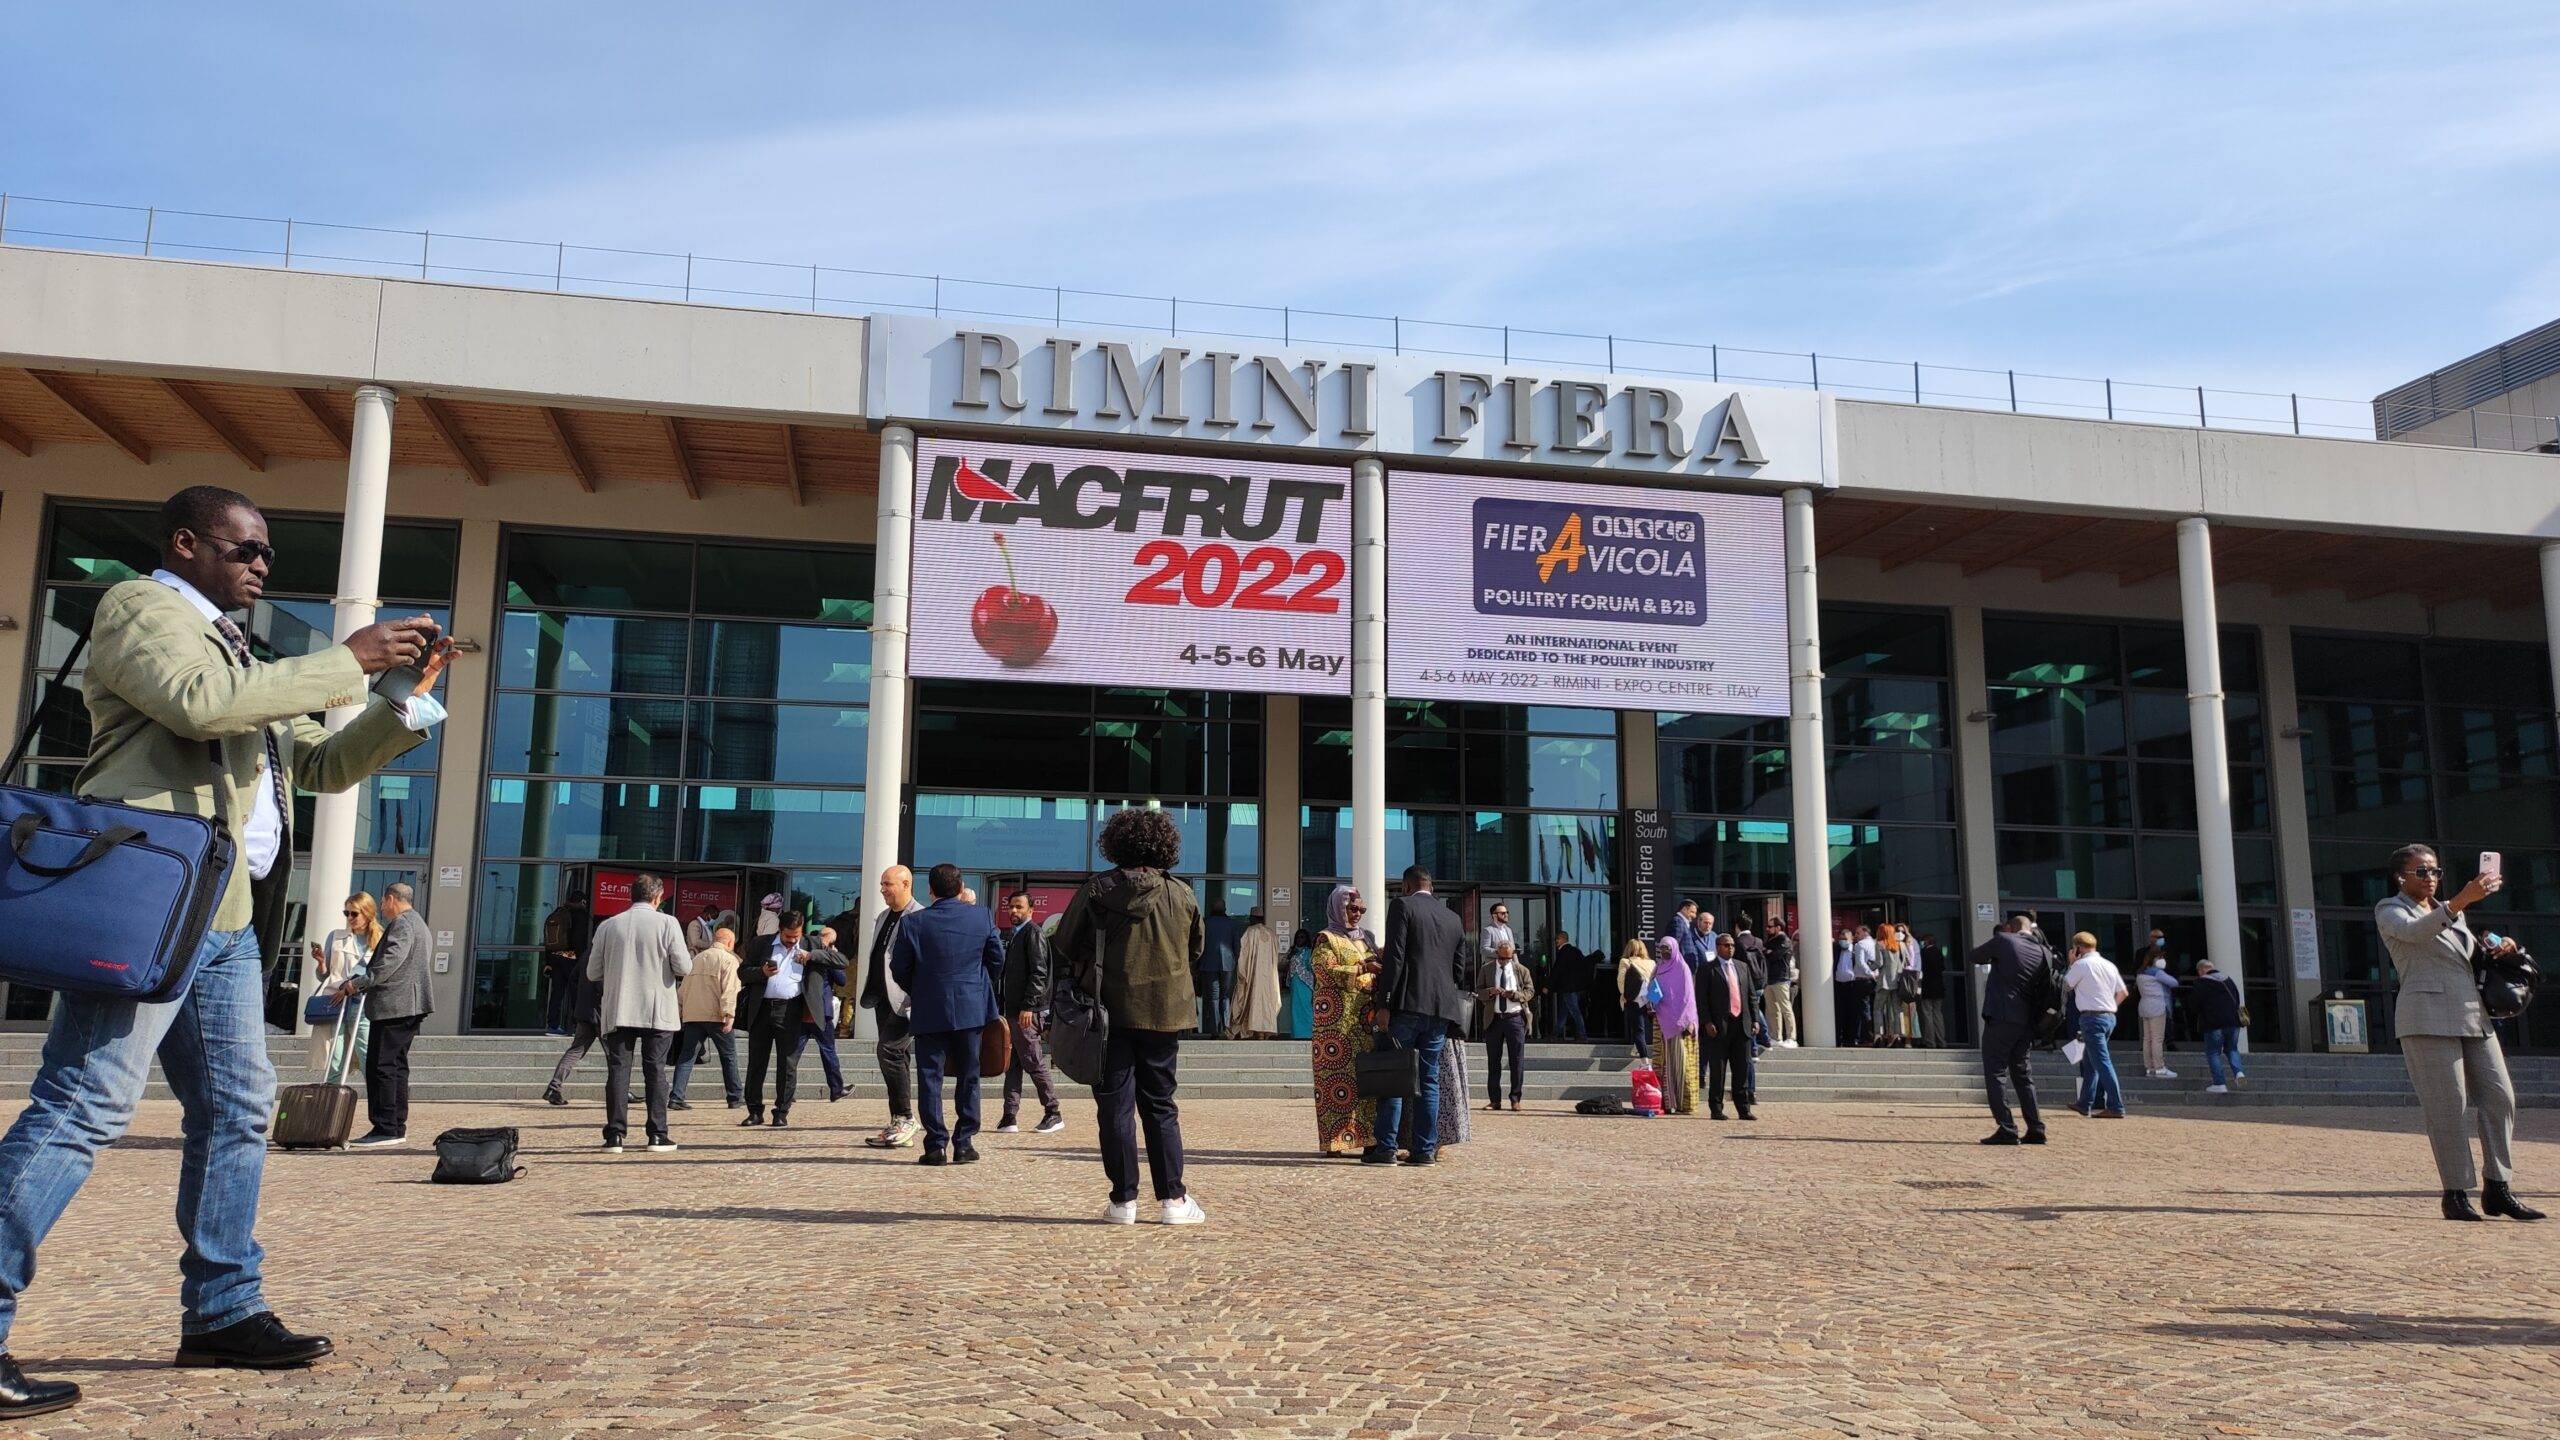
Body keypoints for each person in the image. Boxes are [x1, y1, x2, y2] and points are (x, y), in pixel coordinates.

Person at [0, 484, 446, 1410]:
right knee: (84, 1106)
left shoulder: (247, 651)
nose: (261, 567)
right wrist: (349, 658)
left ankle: (222, 1312)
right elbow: (203, 707)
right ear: (187, 543)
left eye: (269, 556)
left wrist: (396, 700)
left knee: (241, 1111)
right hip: (148, 907)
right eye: (246, 550)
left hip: (228, 920)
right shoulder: (142, 609)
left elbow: (315, 765)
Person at [1052, 807, 1206, 1224]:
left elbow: (1064, 942)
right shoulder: (1183, 893)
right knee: (1160, 1104)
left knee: (1115, 1107)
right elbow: (1195, 950)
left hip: (1107, 1011)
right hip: (1166, 1011)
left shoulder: (1098, 890)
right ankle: (1173, 1200)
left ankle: (1123, 1201)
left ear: (1115, 843)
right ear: (1165, 846)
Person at [2376, 844, 2543, 1223]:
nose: (2431, 878)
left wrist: (2498, 950)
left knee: (2501, 1097)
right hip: (2427, 1016)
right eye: (2422, 872)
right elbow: (2415, 934)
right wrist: (2460, 901)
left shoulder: (2451, 913)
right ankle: (2455, 1193)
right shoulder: (2390, 910)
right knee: (2448, 1107)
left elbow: (2462, 958)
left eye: (2435, 871)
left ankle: (2498, 1187)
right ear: (2401, 877)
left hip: (2473, 1015)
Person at [891, 864, 1006, 1167]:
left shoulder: (913, 923)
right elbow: (997, 959)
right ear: (960, 887)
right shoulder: (980, 916)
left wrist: (922, 988)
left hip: (930, 1008)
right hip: (971, 1008)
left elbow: (898, 968)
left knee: (930, 1078)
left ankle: (935, 1145)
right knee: (969, 1076)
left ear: (930, 891)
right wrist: (978, 985)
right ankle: (964, 1143)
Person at [1366, 865, 1471, 1167]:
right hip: (1441, 1010)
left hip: (1407, 1005)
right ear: (1431, 886)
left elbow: (1395, 957)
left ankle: (1386, 1147)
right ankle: (1424, 1150)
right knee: (1429, 1079)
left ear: (1406, 886)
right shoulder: (1452, 917)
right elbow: (1459, 969)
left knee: (1394, 1075)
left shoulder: (1402, 906)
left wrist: (1384, 1002)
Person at [584, 872, 692, 1154]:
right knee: (655, 1069)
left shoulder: (609, 925)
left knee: (618, 1070)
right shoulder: (668, 923)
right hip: (657, 1008)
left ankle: (615, 1135)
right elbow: (684, 967)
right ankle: (657, 1134)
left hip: (619, 1007)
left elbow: (593, 971)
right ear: (658, 897)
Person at [337, 881, 431, 1147]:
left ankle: (386, 1127)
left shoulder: (402, 924)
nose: (381, 906)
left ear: (391, 899)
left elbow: (390, 962)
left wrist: (358, 983)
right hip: (408, 1005)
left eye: (382, 901)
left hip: (395, 1006)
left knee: (382, 1066)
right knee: (396, 1067)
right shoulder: (419, 924)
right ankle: (394, 1125)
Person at [737, 911, 842, 1128]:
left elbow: (842, 962)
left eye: (796, 936)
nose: (792, 940)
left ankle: (781, 1111)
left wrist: (812, 955)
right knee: (757, 1062)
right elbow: (743, 972)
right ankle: (754, 1111)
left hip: (792, 1010)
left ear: (802, 930)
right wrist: (761, 972)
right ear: (780, 930)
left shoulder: (812, 943)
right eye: (787, 936)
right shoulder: (760, 944)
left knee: (788, 1064)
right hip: (762, 1010)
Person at [858, 864, 926, 1148]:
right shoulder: (884, 916)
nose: (883, 889)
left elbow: (923, 962)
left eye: (889, 884)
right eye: (883, 884)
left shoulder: (920, 916)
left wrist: (916, 999)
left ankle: (906, 1118)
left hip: (905, 1001)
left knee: (887, 1050)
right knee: (899, 1058)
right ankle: (900, 1122)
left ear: (906, 884)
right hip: (881, 999)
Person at [1972, 914, 2055, 1145]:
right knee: (2023, 1074)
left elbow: (1975, 955)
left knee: (1996, 1071)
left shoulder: (2005, 940)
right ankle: (2036, 1127)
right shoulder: (2043, 951)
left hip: (2002, 1016)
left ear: (2010, 927)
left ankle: (2007, 1127)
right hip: (2027, 1022)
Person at [1307, 891, 1380, 1155]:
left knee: (1367, 1082)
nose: (1358, 913)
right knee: (1335, 1082)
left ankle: (1369, 1140)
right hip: (1335, 1026)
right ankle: (1334, 1141)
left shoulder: (1367, 938)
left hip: (1364, 1023)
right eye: (1352, 909)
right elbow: (1323, 971)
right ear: (1338, 909)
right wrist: (1362, 969)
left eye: (1361, 909)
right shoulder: (1327, 938)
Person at [997, 891, 1065, 1135]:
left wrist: (1029, 1005)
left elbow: (1039, 973)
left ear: (1031, 910)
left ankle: (1053, 1112)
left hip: (1026, 1012)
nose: (1013, 911)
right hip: (1014, 1012)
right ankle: (1009, 1116)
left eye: (1019, 907)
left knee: (1034, 1062)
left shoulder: (1032, 933)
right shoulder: (1016, 935)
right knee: (1013, 1064)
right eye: (1011, 907)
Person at [670, 924, 743, 1110]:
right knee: (728, 1056)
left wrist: (680, 1011)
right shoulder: (729, 960)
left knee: (686, 1056)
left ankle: (676, 1097)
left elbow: (683, 989)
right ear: (730, 942)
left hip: (693, 1015)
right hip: (716, 1015)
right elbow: (730, 989)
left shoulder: (696, 959)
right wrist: (729, 1014)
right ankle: (734, 1097)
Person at [308, 892, 381, 1076]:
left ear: (368, 913)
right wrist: (321, 963)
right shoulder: (336, 937)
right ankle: (332, 1098)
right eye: (346, 913)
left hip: (363, 1004)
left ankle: (377, 1097)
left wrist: (353, 986)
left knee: (366, 1053)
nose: (350, 918)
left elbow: (378, 973)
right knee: (335, 1055)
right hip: (336, 1001)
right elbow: (325, 975)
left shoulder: (381, 939)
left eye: (354, 913)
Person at [2062, 932, 2130, 1119]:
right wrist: (2109, 1008)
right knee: (2090, 1060)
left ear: (2078, 948)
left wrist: (2071, 963)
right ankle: (2085, 1102)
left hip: (2091, 1018)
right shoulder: (2109, 965)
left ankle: (2116, 1106)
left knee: (2101, 1061)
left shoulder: (2081, 965)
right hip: (2108, 1017)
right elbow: (2123, 992)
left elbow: (2065, 986)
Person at [1699, 933, 1757, 1121]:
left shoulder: (1742, 967)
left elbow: (1751, 996)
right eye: (1726, 945)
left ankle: (1743, 1108)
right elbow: (1702, 999)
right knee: (1718, 1069)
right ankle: (1716, 1107)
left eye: (1732, 945)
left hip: (1742, 1025)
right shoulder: (1708, 969)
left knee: (1742, 1068)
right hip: (1718, 1027)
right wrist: (1707, 1021)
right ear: (1718, 947)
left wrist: (1755, 1019)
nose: (1730, 948)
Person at [790, 924, 850, 1103]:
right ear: (829, 941)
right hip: (821, 1012)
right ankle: (836, 1089)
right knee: (828, 1050)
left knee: (794, 1053)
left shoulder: (802, 952)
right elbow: (842, 980)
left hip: (801, 1009)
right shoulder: (825, 956)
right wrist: (832, 954)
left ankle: (787, 1091)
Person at [541, 954, 605, 1107]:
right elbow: (602, 986)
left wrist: (579, 1001)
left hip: (584, 1012)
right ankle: (622, 1090)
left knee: (575, 1051)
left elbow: (573, 979)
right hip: (602, 1014)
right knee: (616, 1056)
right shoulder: (607, 955)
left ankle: (553, 1087)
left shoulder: (587, 956)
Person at [1477, 940, 1534, 1112]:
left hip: (1514, 1019)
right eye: (1501, 958)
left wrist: (1515, 995)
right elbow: (1478, 991)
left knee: (1516, 1061)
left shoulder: (1521, 970)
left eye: (1507, 958)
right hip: (1494, 1019)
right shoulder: (1486, 969)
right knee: (1493, 1061)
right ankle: (1494, 1100)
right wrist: (1490, 992)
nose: (1504, 961)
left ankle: (1515, 1099)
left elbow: (1530, 991)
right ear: (1496, 954)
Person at [1648, 935, 1700, 1116]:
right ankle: (1666, 1102)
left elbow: (1687, 998)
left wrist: (1685, 1021)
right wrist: (1651, 1002)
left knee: (1680, 1064)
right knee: (1663, 1064)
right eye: (1662, 948)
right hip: (1661, 1022)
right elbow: (1651, 989)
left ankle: (1683, 1103)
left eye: (1668, 948)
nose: (1665, 952)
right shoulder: (1658, 968)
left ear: (1675, 949)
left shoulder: (1682, 968)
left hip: (1679, 1025)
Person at [2190, 959, 2246, 1094]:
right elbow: (2237, 999)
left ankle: (2219, 1083)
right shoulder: (2228, 980)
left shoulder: (2201, 982)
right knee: (2232, 1049)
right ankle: (2239, 1073)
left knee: (2213, 1052)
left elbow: (2194, 1004)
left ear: (2201, 970)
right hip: (2233, 1022)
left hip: (2213, 1023)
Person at [539, 893, 591, 1036]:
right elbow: (578, 940)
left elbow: (550, 942)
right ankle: (576, 1026)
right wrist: (582, 959)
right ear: (582, 901)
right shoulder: (580, 916)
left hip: (555, 957)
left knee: (557, 992)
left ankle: (553, 1025)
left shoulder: (558, 913)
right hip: (571, 957)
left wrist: (548, 961)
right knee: (577, 992)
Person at [1227, 908, 1281, 1039]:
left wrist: (1242, 974)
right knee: (1267, 1002)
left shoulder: (1250, 932)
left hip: (1253, 978)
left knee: (1252, 1001)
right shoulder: (1272, 934)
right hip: (1269, 979)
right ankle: (1265, 1031)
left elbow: (1243, 957)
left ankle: (1257, 1031)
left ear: (1253, 918)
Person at [2134, 949, 2181, 1078]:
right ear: (2155, 960)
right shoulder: (2157, 973)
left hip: (2144, 1006)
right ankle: (2159, 1068)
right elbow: (2174, 982)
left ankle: (2150, 1068)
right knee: (2157, 1039)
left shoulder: (2140, 973)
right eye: (2160, 958)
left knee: (2147, 1039)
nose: (2162, 960)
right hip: (2157, 1007)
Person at [1198, 898, 1240, 1037]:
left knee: (1214, 998)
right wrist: (1235, 960)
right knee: (1226, 996)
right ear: (1225, 909)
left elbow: (1199, 943)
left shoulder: (1205, 922)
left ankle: (1215, 1030)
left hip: (1209, 963)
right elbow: (1237, 945)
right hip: (1228, 964)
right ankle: (1227, 1027)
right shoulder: (1232, 923)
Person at [1836, 926, 1879, 1047]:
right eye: (1840, 938)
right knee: (1842, 1012)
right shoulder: (1836, 950)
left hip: (1855, 983)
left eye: (1845, 938)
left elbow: (1861, 963)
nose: (1842, 941)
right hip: (1840, 985)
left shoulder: (1857, 948)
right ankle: (1844, 1038)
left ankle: (1859, 1037)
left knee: (1858, 1012)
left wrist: (1871, 974)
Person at [1615, 938, 1658, 1058]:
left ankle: (1645, 1061)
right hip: (1650, 1000)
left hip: (1634, 1000)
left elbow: (1621, 982)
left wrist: (1625, 996)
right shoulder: (1652, 963)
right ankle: (1639, 1048)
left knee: (1638, 1030)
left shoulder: (1626, 961)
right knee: (1653, 1029)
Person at [1759, 923, 1799, 1049]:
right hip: (1769, 979)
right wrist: (1768, 952)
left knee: (1785, 1008)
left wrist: (1768, 952)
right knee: (1772, 1010)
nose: (1767, 928)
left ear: (1778, 927)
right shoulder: (1770, 941)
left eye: (1770, 926)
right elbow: (1765, 953)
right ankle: (1776, 1037)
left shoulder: (1785, 940)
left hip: (1781, 978)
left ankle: (1792, 1038)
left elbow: (1773, 955)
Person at [1549, 929, 1589, 1040]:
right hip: (1574, 988)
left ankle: (1582, 1034)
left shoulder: (1563, 952)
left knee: (1574, 1011)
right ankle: (1555, 1034)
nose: (1556, 941)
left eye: (1557, 939)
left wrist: (1549, 986)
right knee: (1564, 1012)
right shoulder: (1576, 951)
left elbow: (1557, 970)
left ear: (1563, 939)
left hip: (1566, 988)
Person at [1283, 926, 1317, 1041]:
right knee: (1295, 1009)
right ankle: (1297, 1034)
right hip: (1294, 984)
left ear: (1306, 939)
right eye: (1298, 937)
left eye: (1302, 937)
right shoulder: (1293, 951)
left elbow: (1313, 969)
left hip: (1305, 984)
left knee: (1306, 1008)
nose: (1299, 939)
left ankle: (1308, 1033)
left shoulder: (1309, 952)